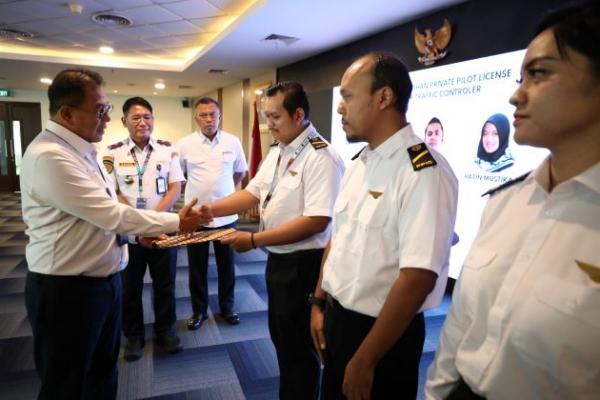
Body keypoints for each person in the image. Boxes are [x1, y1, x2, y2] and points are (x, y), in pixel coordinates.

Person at [426, 3, 600, 399]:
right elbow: (461, 325)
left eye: (538, 73)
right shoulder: (506, 202)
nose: (515, 95)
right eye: (521, 77)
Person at [20, 68, 204, 400]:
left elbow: (105, 211)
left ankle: (163, 331)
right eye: (100, 109)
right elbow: (110, 212)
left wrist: (138, 233)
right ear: (67, 113)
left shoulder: (83, 150)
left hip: (101, 279)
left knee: (102, 374)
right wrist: (177, 222)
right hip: (68, 291)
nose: (106, 118)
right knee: (67, 384)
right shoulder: (51, 156)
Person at [310, 52, 458, 400]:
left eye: (348, 96)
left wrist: (366, 359)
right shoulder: (361, 162)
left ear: (384, 97)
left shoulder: (423, 172)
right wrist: (318, 302)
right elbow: (338, 239)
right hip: (338, 318)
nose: (339, 107)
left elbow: (418, 278)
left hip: (382, 337)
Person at [198, 81, 345, 399]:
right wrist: (210, 210)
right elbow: (253, 191)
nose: (268, 124)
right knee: (284, 341)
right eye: (266, 116)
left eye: (275, 116)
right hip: (279, 260)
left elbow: (316, 221)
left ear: (299, 115)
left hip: (304, 264)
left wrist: (254, 240)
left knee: (299, 350)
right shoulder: (280, 150)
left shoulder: (321, 156)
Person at [103, 97, 185, 362]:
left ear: (153, 120)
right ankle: (134, 336)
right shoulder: (112, 152)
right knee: (130, 287)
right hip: (130, 233)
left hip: (163, 231)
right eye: (136, 117)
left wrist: (153, 222)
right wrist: (139, 224)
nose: (142, 122)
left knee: (166, 284)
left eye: (147, 117)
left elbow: (175, 188)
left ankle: (166, 331)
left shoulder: (167, 149)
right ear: (124, 121)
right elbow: (113, 192)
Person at [176, 97, 248, 329]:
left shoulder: (232, 141)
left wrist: (224, 196)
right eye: (203, 115)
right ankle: (199, 311)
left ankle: (227, 307)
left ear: (220, 117)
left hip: (226, 217)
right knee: (197, 268)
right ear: (196, 118)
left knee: (227, 266)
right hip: (195, 217)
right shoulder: (184, 144)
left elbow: (239, 172)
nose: (208, 119)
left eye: (212, 114)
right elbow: (180, 178)